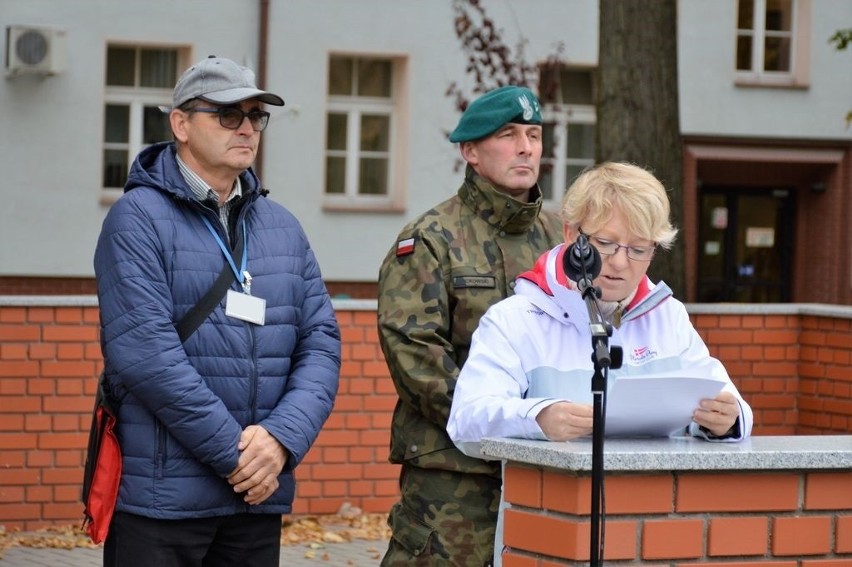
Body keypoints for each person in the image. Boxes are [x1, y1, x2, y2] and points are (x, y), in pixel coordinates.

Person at [93, 55, 341, 567]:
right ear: (180, 124)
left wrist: (280, 441)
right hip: (163, 504)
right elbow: (145, 356)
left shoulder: (282, 227)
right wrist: (240, 456)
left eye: (256, 116)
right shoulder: (137, 219)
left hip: (254, 500)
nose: (247, 128)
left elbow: (321, 343)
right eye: (228, 115)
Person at [447, 161, 754, 559]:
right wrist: (538, 417)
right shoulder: (516, 319)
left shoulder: (668, 315)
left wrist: (725, 422)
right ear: (572, 233)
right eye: (606, 244)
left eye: (639, 249)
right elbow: (466, 421)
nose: (621, 262)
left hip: (656, 535)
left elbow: (732, 405)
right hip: (549, 539)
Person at [377, 85, 564, 566]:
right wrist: (498, 421)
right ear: (471, 151)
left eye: (534, 134)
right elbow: (415, 354)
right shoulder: (430, 238)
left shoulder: (560, 239)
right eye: (508, 134)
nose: (526, 147)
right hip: (454, 468)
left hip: (545, 461)